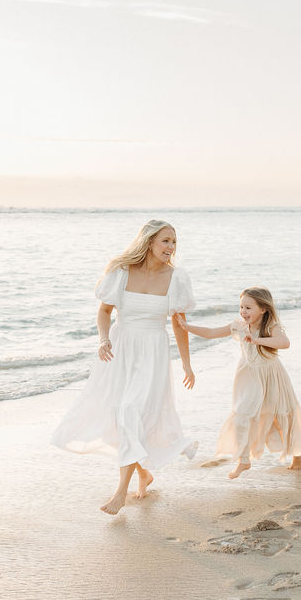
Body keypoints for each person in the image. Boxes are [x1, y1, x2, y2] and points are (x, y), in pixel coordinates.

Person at [51, 220, 198, 515]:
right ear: (149, 242)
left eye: (174, 242)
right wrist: (103, 340)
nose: (170, 248)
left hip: (153, 352)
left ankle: (120, 493)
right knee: (122, 416)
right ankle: (143, 471)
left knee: (132, 411)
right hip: (121, 350)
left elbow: (179, 325)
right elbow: (105, 311)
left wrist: (186, 363)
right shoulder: (121, 272)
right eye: (165, 241)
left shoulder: (176, 278)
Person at [176, 287, 301, 479]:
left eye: (248, 308)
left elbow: (284, 343)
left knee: (282, 415)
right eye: (241, 307)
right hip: (249, 378)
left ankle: (297, 455)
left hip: (272, 377)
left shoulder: (271, 327)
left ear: (263, 309)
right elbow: (212, 332)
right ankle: (244, 460)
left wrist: (257, 340)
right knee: (242, 415)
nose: (243, 312)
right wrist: (187, 327)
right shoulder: (238, 326)